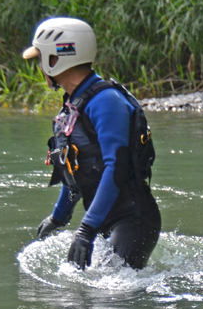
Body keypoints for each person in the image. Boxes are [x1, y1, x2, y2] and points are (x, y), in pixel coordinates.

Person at [22, 17, 161, 270]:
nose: (40, 68)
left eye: (40, 59)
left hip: (132, 220)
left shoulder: (106, 101)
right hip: (102, 221)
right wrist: (59, 216)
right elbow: (78, 170)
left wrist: (85, 229)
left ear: (56, 58)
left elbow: (115, 168)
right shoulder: (73, 105)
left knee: (108, 302)